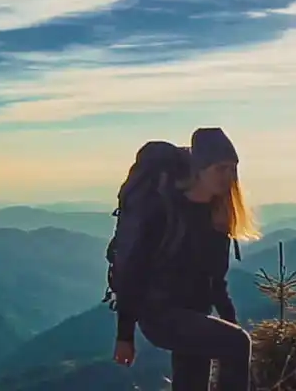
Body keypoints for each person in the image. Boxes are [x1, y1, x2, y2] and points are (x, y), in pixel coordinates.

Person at [111, 127, 262, 391]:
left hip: (193, 314)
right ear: (199, 170)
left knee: (193, 382)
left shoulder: (217, 216)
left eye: (232, 169)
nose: (228, 177)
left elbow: (216, 281)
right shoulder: (163, 211)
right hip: (159, 314)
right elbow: (133, 271)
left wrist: (229, 322)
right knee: (238, 343)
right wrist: (125, 335)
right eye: (220, 168)